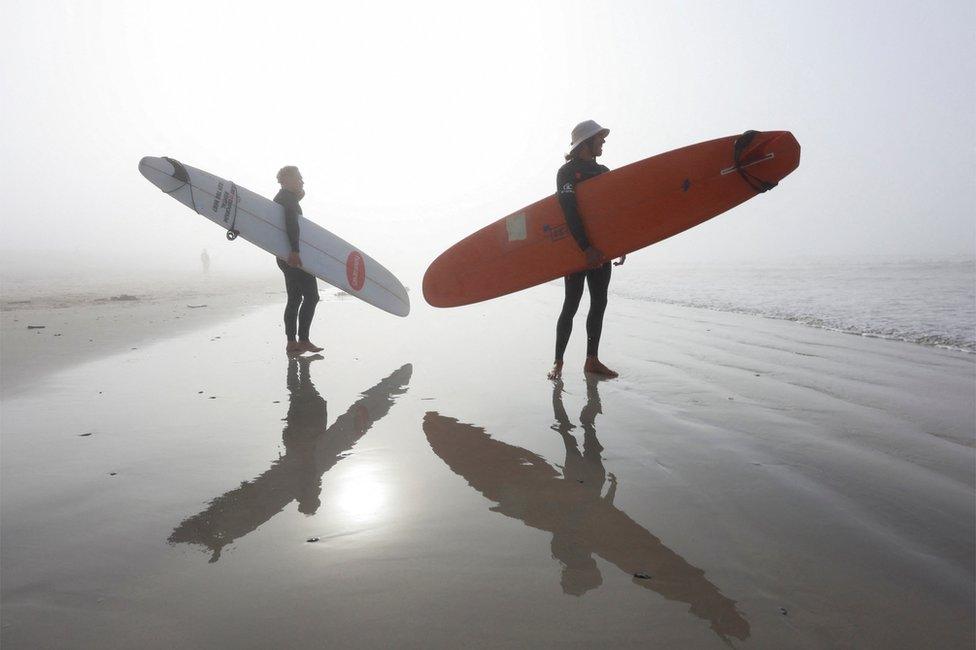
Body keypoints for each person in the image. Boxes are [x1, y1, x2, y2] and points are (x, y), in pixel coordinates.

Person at [548, 120, 625, 380]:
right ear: (586, 142)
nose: (603, 142)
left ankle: (592, 360)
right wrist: (585, 247)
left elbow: (611, 211)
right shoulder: (566, 173)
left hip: (601, 249)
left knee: (599, 302)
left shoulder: (603, 170)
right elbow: (569, 210)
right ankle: (558, 362)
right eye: (599, 138)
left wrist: (622, 242)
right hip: (576, 250)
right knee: (571, 304)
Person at [274, 166, 323, 354]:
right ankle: (302, 340)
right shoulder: (287, 199)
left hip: (284, 255)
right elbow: (291, 223)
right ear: (287, 179)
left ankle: (292, 342)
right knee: (312, 296)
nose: (302, 181)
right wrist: (295, 250)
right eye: (299, 178)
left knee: (294, 298)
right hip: (294, 256)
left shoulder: (284, 198)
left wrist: (298, 197)